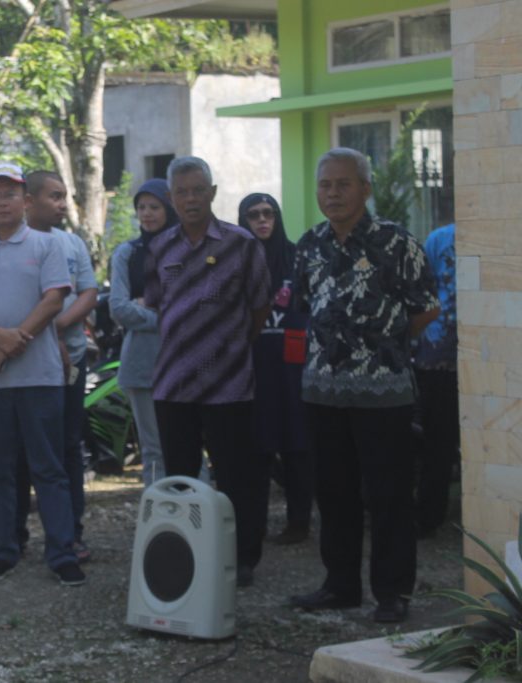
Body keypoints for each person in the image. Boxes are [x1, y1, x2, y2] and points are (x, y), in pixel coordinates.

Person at [289, 148, 439, 624]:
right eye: (325, 185)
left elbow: (427, 308)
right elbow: (306, 305)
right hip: (323, 392)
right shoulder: (309, 244)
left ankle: (393, 593)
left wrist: (384, 347)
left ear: (365, 189)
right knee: (333, 492)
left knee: (389, 494)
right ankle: (340, 585)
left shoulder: (396, 242)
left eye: (343, 184)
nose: (332, 193)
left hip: (383, 393)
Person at [0, 161, 85, 586]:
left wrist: (13, 340)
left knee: (49, 467)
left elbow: (53, 300)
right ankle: (4, 549)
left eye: (11, 193)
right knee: (0, 468)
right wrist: (1, 340)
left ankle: (62, 552)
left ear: (25, 200)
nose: (3, 201)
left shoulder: (47, 247)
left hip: (40, 376)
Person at [144, 156, 272, 588]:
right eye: (182, 191)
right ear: (172, 198)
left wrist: (229, 347)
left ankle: (243, 558)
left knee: (238, 477)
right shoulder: (160, 247)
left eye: (198, 190)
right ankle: (186, 555)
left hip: (229, 384)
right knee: (179, 477)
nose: (191, 198)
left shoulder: (242, 244)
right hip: (174, 383)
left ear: (213, 193)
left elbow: (259, 307)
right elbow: (159, 304)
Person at [15, 170, 98, 561]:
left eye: (64, 196)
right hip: (23, 362)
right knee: (20, 452)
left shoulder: (72, 243)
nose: (62, 203)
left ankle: (69, 534)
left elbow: (88, 292)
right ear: (28, 200)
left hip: (69, 363)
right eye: (54, 196)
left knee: (66, 449)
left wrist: (60, 326)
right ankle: (14, 536)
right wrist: (39, 333)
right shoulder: (11, 242)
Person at [237, 193, 313, 545]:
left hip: (293, 367)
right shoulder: (235, 258)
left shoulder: (298, 256)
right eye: (253, 215)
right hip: (251, 367)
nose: (262, 221)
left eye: (268, 214)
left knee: (298, 447)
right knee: (255, 450)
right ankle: (254, 526)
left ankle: (299, 522)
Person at [109, 178, 176, 488]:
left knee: (186, 443)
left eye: (155, 207)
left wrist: (148, 308)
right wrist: (163, 315)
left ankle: (197, 519)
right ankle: (159, 516)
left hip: (183, 360)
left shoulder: (185, 249)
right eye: (141, 207)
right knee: (153, 448)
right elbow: (119, 308)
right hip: (141, 362)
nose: (147, 214)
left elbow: (193, 305)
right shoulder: (128, 253)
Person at [414, 222, 458, 539]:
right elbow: (423, 290)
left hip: (486, 358)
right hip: (437, 356)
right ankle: (430, 514)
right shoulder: (439, 239)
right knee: (438, 441)